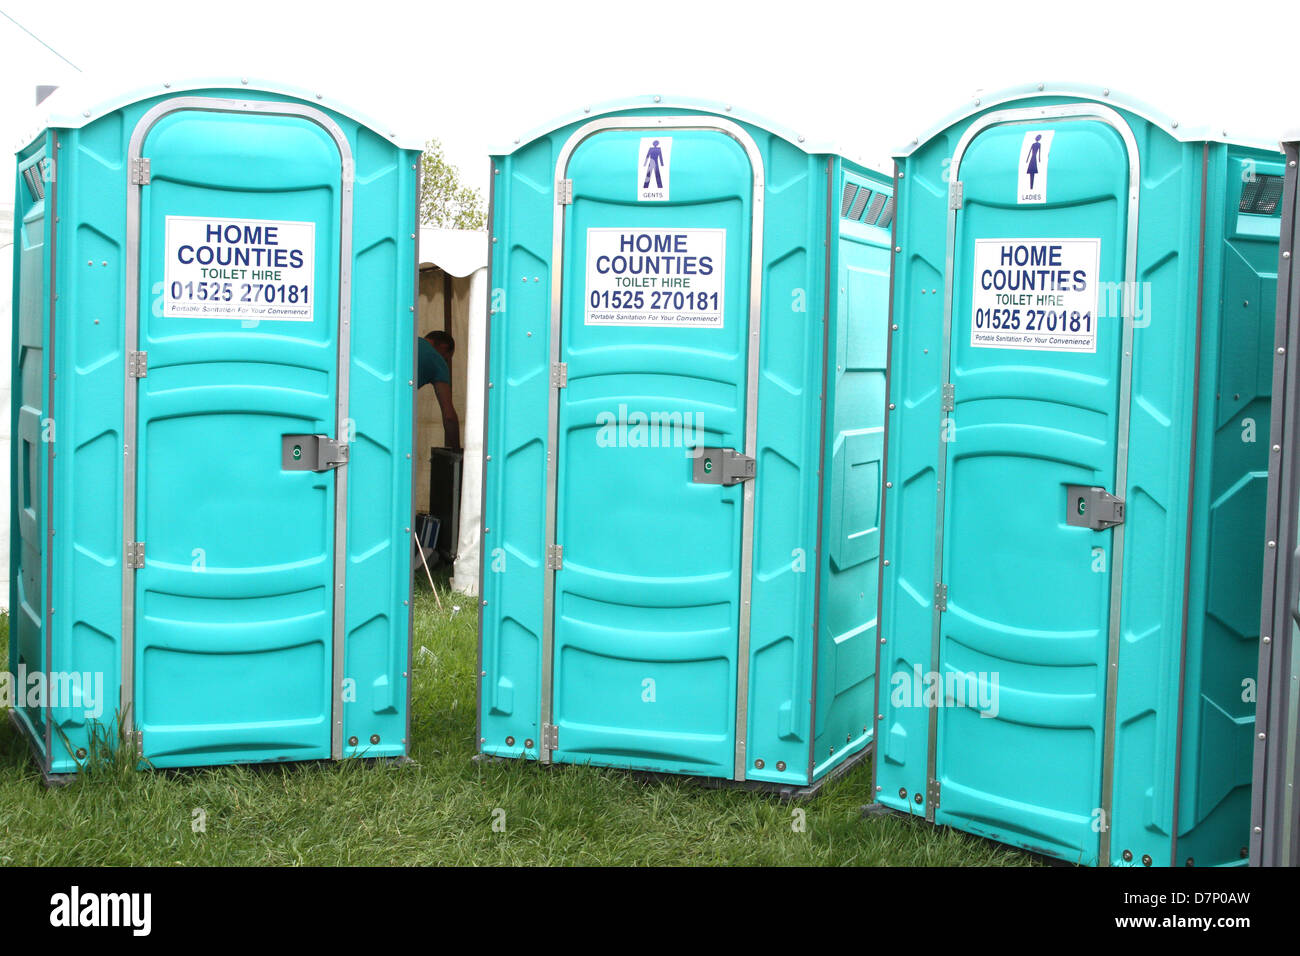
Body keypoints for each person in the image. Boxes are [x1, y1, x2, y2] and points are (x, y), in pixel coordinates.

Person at [418, 330, 460, 451]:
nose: (445, 362)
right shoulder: (437, 360)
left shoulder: (408, 341)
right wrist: (457, 452)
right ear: (444, 347)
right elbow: (449, 416)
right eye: (446, 358)